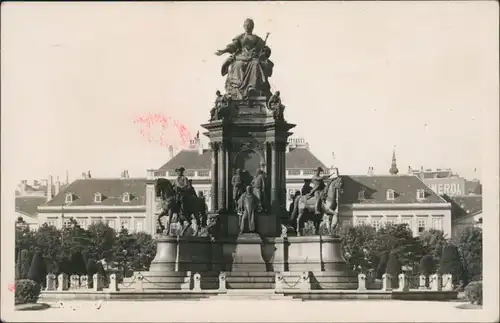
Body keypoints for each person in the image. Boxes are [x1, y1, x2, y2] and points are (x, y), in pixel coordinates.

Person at [215, 18, 274, 99]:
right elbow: (232, 46)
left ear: (252, 26)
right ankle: (236, 88)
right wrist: (224, 51)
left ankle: (252, 88)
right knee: (238, 64)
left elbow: (264, 49)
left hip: (253, 58)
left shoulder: (257, 38)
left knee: (256, 64)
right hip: (241, 57)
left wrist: (264, 51)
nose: (247, 26)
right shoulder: (240, 37)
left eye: (249, 24)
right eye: (246, 24)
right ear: (243, 26)